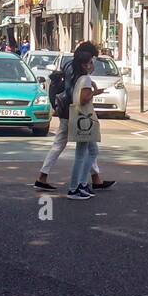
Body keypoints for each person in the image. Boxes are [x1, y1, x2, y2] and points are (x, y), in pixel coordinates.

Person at [33, 43, 114, 191]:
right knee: (86, 147)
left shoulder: (69, 65)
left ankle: (94, 179)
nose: (93, 63)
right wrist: (93, 91)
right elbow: (78, 95)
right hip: (75, 113)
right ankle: (79, 184)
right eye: (91, 59)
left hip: (65, 110)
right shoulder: (79, 72)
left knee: (78, 146)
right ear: (86, 59)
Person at [66, 45, 104, 200]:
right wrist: (95, 92)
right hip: (84, 120)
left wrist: (93, 89)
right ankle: (75, 187)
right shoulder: (86, 79)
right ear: (85, 65)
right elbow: (83, 100)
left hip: (80, 119)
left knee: (88, 152)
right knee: (83, 155)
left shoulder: (80, 78)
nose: (93, 65)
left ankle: (80, 185)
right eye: (91, 62)